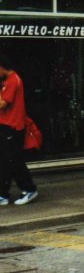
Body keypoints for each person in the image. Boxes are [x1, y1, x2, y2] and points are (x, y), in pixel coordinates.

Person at [0, 54, 38, 206]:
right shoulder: (6, 81)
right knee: (4, 161)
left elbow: (2, 103)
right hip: (6, 125)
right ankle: (2, 194)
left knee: (14, 161)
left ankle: (29, 189)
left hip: (13, 127)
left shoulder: (12, 81)